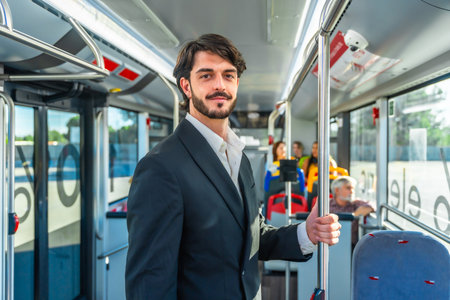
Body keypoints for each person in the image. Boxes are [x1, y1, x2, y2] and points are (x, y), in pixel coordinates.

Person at [125, 33, 341, 300]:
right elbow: (150, 283)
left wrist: (305, 233)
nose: (220, 85)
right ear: (186, 86)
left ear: (237, 83)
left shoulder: (239, 157)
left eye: (228, 75)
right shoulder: (160, 167)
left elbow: (250, 233)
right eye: (206, 75)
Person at [330, 176, 374, 248]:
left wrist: (354, 215)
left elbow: (371, 206)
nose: (352, 191)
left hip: (351, 246)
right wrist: (354, 216)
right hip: (331, 245)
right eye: (348, 188)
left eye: (353, 188)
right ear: (337, 190)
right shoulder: (326, 205)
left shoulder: (355, 203)